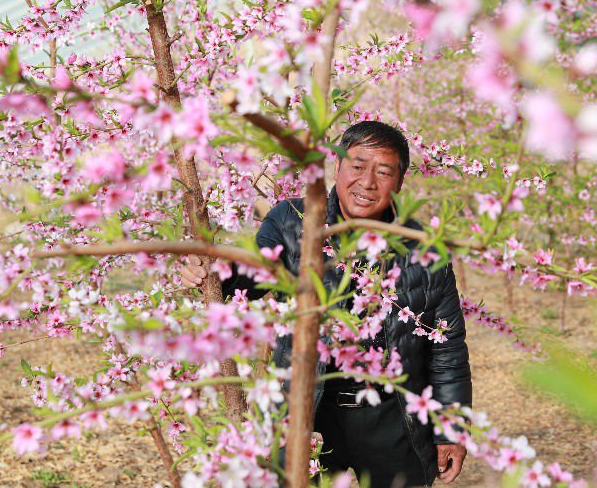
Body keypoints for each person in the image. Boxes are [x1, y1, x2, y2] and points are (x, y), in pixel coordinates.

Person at [180, 121, 472, 487]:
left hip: (393, 417)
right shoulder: (293, 221)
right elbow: (249, 276)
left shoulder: (425, 250)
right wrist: (212, 273)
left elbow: (447, 351)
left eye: (383, 172)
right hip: (307, 410)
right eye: (357, 166)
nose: (367, 182)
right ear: (336, 167)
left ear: (399, 183)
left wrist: (452, 430)